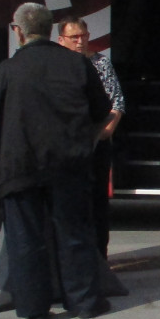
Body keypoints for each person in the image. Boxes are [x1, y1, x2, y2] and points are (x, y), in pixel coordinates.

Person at [0, 3, 112, 319]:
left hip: (19, 168)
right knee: (75, 233)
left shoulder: (4, 72)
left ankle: (35, 308)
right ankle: (84, 301)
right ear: (52, 30)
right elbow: (101, 108)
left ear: (18, 31)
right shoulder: (77, 65)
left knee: (25, 239)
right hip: (69, 164)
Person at [58, 17, 125, 260]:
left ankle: (100, 257)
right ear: (61, 40)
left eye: (83, 36)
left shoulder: (100, 63)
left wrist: (108, 128)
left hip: (97, 144)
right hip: (67, 146)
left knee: (98, 202)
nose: (80, 41)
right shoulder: (57, 66)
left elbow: (117, 100)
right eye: (74, 37)